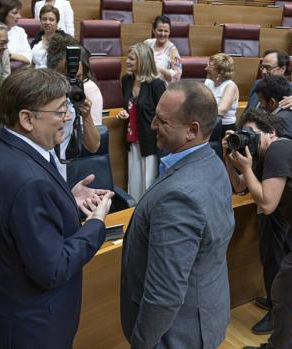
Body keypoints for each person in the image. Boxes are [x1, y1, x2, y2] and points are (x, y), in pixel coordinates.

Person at [0, 67, 114, 349]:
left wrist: (66, 197)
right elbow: (53, 269)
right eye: (60, 111)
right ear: (26, 118)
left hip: (6, 306)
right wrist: (97, 224)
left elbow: (16, 215)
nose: (66, 118)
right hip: (33, 324)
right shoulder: (29, 181)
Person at [120, 80, 235, 349]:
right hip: (205, 310)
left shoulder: (178, 197)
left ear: (191, 131)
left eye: (162, 121)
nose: (152, 126)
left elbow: (164, 294)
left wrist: (142, 343)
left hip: (174, 335)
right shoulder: (213, 162)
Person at [224, 110, 292, 349]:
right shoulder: (266, 155)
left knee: (286, 286)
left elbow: (266, 203)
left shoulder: (279, 149)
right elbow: (240, 186)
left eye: (253, 134)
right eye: (246, 135)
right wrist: (229, 156)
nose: (250, 139)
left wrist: (246, 168)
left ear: (271, 132)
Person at [246, 75, 292, 336]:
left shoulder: (278, 124)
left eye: (263, 103)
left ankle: (276, 311)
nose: (261, 108)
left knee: (273, 257)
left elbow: (270, 162)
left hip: (279, 198)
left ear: (272, 101)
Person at [46, 33, 102, 179]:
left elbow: (93, 146)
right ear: (52, 73)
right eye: (67, 77)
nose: (71, 84)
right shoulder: (37, 98)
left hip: (60, 177)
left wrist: (86, 115)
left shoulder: (77, 97)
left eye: (78, 78)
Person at [116, 43, 166, 200]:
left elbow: (164, 113)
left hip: (150, 141)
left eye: (132, 59)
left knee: (148, 183)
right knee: (134, 182)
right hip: (132, 139)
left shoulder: (156, 84)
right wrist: (125, 112)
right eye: (128, 58)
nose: (127, 61)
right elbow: (129, 105)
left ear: (143, 61)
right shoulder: (127, 80)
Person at [245, 49, 292, 117]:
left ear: (282, 69)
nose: (263, 72)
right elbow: (247, 111)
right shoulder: (257, 84)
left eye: (268, 68)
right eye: (262, 67)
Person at [204, 53, 239, 136]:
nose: (206, 68)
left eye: (210, 66)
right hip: (210, 125)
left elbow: (221, 111)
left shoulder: (230, 86)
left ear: (220, 72)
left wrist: (200, 111)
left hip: (224, 129)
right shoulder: (208, 82)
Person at [144, 15, 182, 82]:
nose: (163, 34)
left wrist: (161, 70)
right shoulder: (147, 44)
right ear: (153, 30)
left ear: (169, 32)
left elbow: (177, 77)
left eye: (166, 31)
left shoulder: (173, 51)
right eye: (160, 30)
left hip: (162, 88)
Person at [0, 0, 32, 65]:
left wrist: (9, 55)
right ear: (3, 14)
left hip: (18, 72)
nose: (19, 16)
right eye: (15, 13)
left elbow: (28, 58)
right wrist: (18, 56)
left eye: (19, 13)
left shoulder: (20, 31)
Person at [30, 5, 66, 69]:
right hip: (35, 75)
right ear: (40, 21)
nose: (47, 22)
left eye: (51, 20)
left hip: (55, 76)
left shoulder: (65, 39)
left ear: (57, 22)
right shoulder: (37, 40)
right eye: (44, 19)